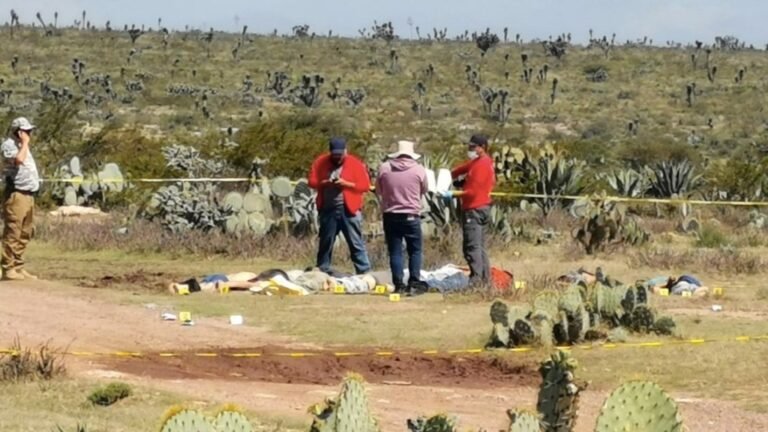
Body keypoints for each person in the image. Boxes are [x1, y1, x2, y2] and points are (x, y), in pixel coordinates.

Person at [308, 137, 372, 275]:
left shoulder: (355, 164)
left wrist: (345, 184)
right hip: (328, 208)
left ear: (345, 152)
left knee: (355, 242)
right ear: (330, 152)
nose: (337, 158)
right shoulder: (320, 162)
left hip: (349, 209)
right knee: (326, 241)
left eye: (340, 155)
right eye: (334, 155)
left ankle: (364, 272)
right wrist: (324, 183)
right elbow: (312, 181)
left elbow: (365, 186)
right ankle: (322, 270)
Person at [376, 140, 429, 295]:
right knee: (415, 250)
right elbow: (424, 189)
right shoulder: (419, 170)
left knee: (395, 251)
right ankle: (414, 281)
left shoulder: (385, 168)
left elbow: (379, 190)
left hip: (391, 214)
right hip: (411, 214)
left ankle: (398, 283)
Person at [444, 134, 495, 287]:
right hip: (480, 207)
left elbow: (473, 191)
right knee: (479, 246)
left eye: (473, 147)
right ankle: (485, 280)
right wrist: (448, 175)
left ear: (482, 147)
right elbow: (461, 169)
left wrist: (455, 193)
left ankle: (477, 281)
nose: (470, 149)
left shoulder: (481, 165)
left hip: (474, 208)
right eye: (469, 146)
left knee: (472, 247)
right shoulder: (479, 162)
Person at [1, 117, 40, 281]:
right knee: (13, 231)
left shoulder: (23, 146)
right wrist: (25, 143)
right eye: (26, 131)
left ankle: (18, 265)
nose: (29, 134)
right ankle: (8, 268)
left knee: (26, 231)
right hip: (16, 194)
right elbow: (18, 160)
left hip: (29, 193)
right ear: (19, 131)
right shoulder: (9, 145)